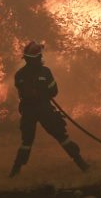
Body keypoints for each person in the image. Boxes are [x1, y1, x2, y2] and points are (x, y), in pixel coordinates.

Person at [9, 41, 90, 177]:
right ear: (37, 58)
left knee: (27, 141)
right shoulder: (45, 72)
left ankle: (15, 171)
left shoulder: (20, 75)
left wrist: (37, 93)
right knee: (61, 136)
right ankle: (82, 164)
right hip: (43, 109)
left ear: (27, 58)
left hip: (29, 110)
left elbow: (23, 92)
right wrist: (42, 93)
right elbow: (54, 91)